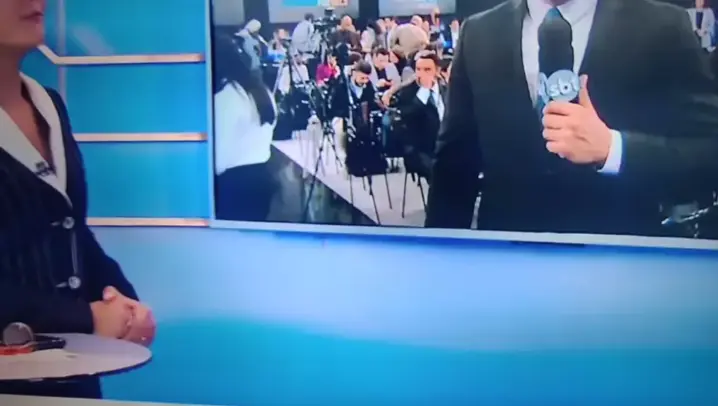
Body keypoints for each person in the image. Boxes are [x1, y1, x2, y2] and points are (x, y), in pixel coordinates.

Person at [426, 0, 718, 236]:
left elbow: (708, 153)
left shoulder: (663, 27)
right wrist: (439, 266)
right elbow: (454, 167)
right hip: (509, 262)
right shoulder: (478, 33)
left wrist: (614, 149)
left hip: (620, 262)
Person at [0, 0, 155, 398]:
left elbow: (68, 229)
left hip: (73, 375)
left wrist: (120, 300)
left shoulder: (48, 104)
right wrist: (84, 318)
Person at [214, 35, 277, 222]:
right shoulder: (262, 92)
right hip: (263, 177)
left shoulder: (226, 97)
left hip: (236, 186)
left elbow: (220, 158)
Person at [394, 51, 446, 181]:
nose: (422, 73)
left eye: (427, 69)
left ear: (437, 71)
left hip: (447, 144)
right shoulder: (407, 93)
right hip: (422, 148)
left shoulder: (447, 90)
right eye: (418, 69)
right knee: (440, 172)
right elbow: (407, 118)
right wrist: (423, 93)